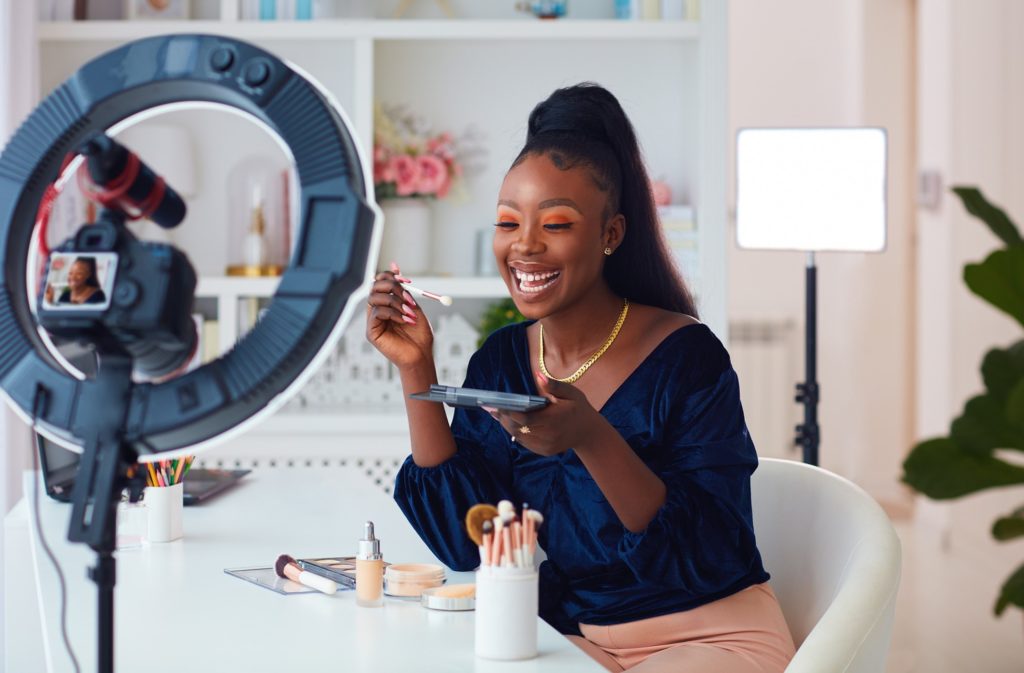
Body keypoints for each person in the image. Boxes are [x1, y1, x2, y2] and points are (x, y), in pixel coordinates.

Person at [367, 83, 795, 672]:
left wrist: (592, 438)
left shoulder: (687, 358)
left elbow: (711, 551)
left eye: (557, 224)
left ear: (611, 234)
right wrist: (416, 367)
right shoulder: (501, 359)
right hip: (574, 640)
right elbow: (467, 543)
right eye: (508, 222)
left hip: (711, 637)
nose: (525, 246)